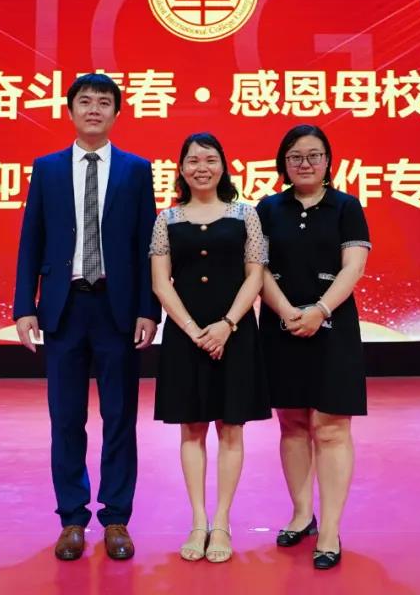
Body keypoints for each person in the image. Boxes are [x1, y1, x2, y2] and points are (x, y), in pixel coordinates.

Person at [13, 73, 161, 561]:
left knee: (119, 417)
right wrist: (25, 305)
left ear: (117, 112)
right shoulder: (48, 169)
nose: (94, 109)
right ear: (71, 110)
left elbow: (145, 244)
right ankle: (72, 519)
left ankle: (116, 517)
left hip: (117, 309)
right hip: (64, 307)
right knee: (66, 418)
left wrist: (148, 309)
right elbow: (32, 239)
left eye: (103, 102)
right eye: (85, 101)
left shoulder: (136, 170)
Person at [149, 133, 270, 563]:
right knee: (192, 428)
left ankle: (221, 522)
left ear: (223, 166)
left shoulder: (246, 214)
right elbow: (161, 282)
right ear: (181, 169)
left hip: (234, 334)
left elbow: (255, 275)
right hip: (185, 337)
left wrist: (227, 325)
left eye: (210, 159)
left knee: (231, 428)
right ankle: (198, 521)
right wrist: (192, 330)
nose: (202, 167)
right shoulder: (166, 219)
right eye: (193, 160)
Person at [256, 124, 371, 570]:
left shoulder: (346, 206)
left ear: (328, 161)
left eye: (314, 155)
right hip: (281, 325)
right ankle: (302, 515)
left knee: (331, 427)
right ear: (283, 164)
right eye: (295, 157)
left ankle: (330, 530)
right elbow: (258, 270)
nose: (305, 164)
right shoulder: (268, 209)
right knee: (292, 423)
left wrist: (319, 311)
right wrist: (287, 311)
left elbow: (353, 267)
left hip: (333, 326)